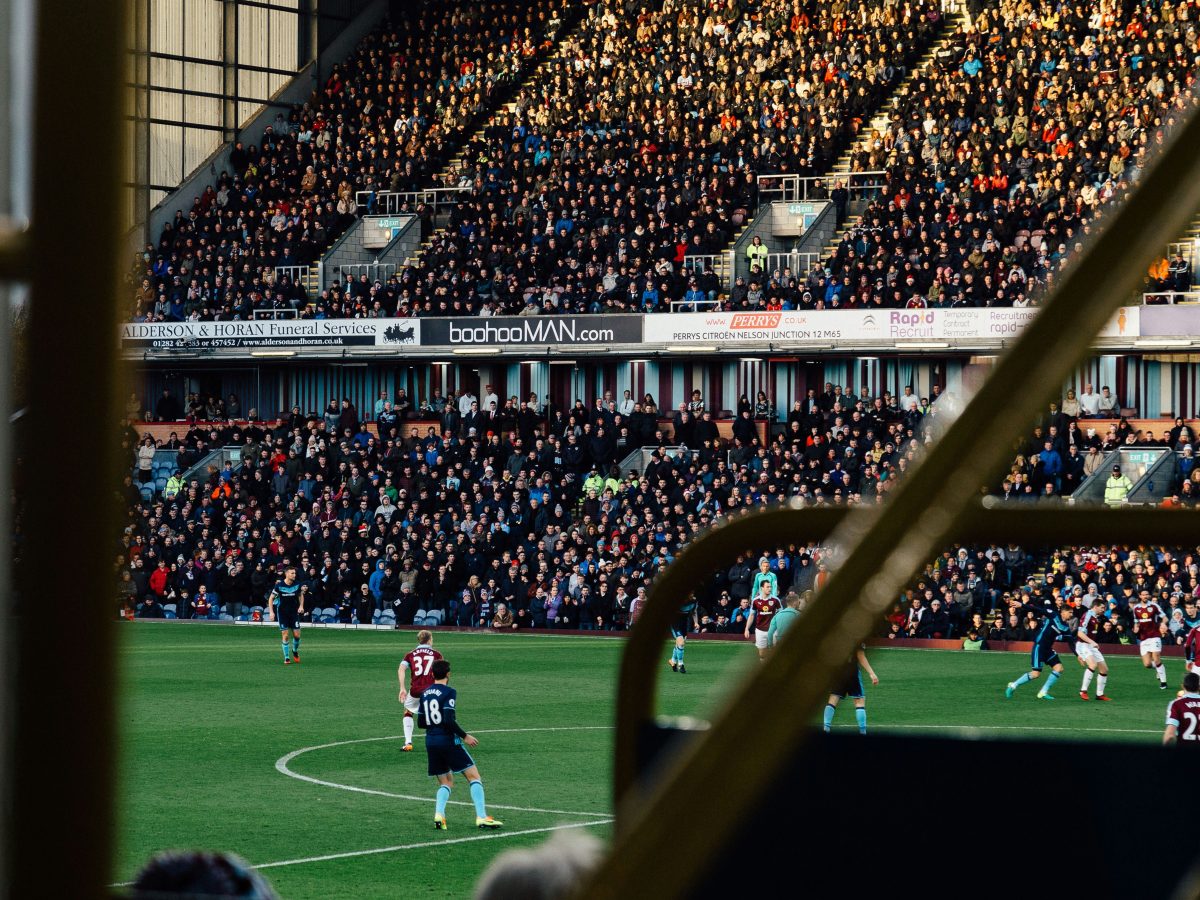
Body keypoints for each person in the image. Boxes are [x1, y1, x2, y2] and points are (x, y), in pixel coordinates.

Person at [418, 659, 502, 830]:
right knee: (474, 776)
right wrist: (465, 736)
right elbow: (449, 720)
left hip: (431, 741)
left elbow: (420, 722)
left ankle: (439, 815)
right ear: (448, 674)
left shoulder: (425, 693)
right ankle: (482, 817)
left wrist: (434, 726)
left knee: (446, 782)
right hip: (448, 741)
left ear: (432, 674)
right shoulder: (449, 692)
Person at [1005, 603, 1073, 700]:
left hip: (1048, 649)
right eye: (1070, 612)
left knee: (1059, 668)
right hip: (1039, 647)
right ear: (1063, 612)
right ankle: (1013, 685)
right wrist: (1022, 605)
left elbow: (1071, 641)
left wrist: (1078, 655)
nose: (1071, 614)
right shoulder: (1053, 615)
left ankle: (1043, 692)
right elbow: (1038, 609)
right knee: (1036, 674)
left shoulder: (1065, 627)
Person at [398, 630, 443, 752]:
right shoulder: (436, 654)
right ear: (430, 640)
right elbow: (443, 672)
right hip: (432, 691)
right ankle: (441, 742)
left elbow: (401, 669)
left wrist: (402, 688)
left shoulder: (410, 654)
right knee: (437, 715)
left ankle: (408, 743)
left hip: (415, 691)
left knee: (408, 712)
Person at [822, 644, 878, 734]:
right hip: (852, 670)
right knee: (859, 700)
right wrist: (871, 673)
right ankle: (863, 732)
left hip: (838, 670)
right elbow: (860, 655)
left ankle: (826, 728)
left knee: (833, 699)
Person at [266, 566, 306, 665]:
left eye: (295, 573)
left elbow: (301, 595)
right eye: (292, 573)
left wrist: (301, 606)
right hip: (282, 613)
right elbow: (271, 598)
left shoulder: (297, 584)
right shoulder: (279, 586)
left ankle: (295, 651)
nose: (294, 575)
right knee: (286, 635)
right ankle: (287, 657)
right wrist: (271, 612)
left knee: (297, 636)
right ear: (286, 574)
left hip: (293, 613)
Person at [1074, 598, 1112, 701]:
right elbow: (1080, 633)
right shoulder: (1087, 615)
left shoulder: (1096, 617)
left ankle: (1099, 694)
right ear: (1095, 607)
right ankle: (1083, 691)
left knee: (1104, 669)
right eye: (1102, 607)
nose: (1104, 609)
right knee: (1093, 664)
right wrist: (1092, 642)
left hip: (1090, 645)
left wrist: (1092, 643)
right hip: (1083, 644)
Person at [1132, 589, 1169, 689]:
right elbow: (1136, 622)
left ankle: (1163, 682)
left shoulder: (1154, 606)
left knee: (1156, 659)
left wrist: (1162, 624)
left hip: (1155, 636)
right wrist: (1136, 628)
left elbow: (1165, 618)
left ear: (1148, 596)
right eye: (1143, 595)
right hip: (1144, 638)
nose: (1145, 596)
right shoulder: (1136, 608)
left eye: (1147, 594)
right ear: (1140, 596)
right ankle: (1158, 668)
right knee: (1147, 664)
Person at [744, 579, 781, 661]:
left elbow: (781, 614)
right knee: (762, 654)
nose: (770, 589)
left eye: (770, 587)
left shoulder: (775, 600)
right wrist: (746, 629)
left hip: (773, 630)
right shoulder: (755, 601)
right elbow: (751, 615)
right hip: (760, 630)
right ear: (762, 588)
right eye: (767, 587)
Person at [1163, 672, 1200, 747]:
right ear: (1199, 687)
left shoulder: (1176, 704)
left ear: (1183, 686)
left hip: (1184, 753)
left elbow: (1170, 735)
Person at [668, 596, 699, 674]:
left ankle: (672, 660)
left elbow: (694, 612)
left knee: (679, 644)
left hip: (684, 623)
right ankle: (681, 664)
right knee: (681, 643)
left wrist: (696, 622)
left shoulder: (694, 601)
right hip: (675, 622)